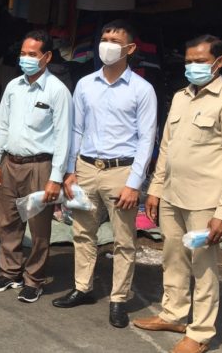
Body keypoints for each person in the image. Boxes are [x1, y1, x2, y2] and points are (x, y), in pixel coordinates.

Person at [134, 36, 222, 353]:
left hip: (205, 202)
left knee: (204, 268)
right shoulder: (181, 97)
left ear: (219, 62)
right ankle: (173, 314)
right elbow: (166, 147)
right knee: (173, 259)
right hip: (172, 195)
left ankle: (200, 332)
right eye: (188, 61)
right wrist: (155, 189)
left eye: (200, 61)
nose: (192, 67)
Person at [52, 20, 157, 328]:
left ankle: (118, 299)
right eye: (104, 38)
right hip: (86, 168)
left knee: (123, 240)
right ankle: (82, 287)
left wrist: (134, 183)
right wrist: (70, 170)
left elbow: (147, 139)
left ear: (130, 49)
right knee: (82, 232)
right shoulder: (85, 84)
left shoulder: (142, 90)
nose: (107, 45)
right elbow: (76, 129)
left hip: (120, 172)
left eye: (115, 40)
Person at [0, 30, 72, 303]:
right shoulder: (13, 86)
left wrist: (55, 178)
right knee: (8, 221)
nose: (26, 59)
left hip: (40, 167)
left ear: (47, 57)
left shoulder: (57, 91)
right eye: (23, 54)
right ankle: (10, 272)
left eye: (32, 54)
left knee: (38, 227)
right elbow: (1, 125)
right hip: (10, 163)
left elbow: (63, 137)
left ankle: (34, 279)